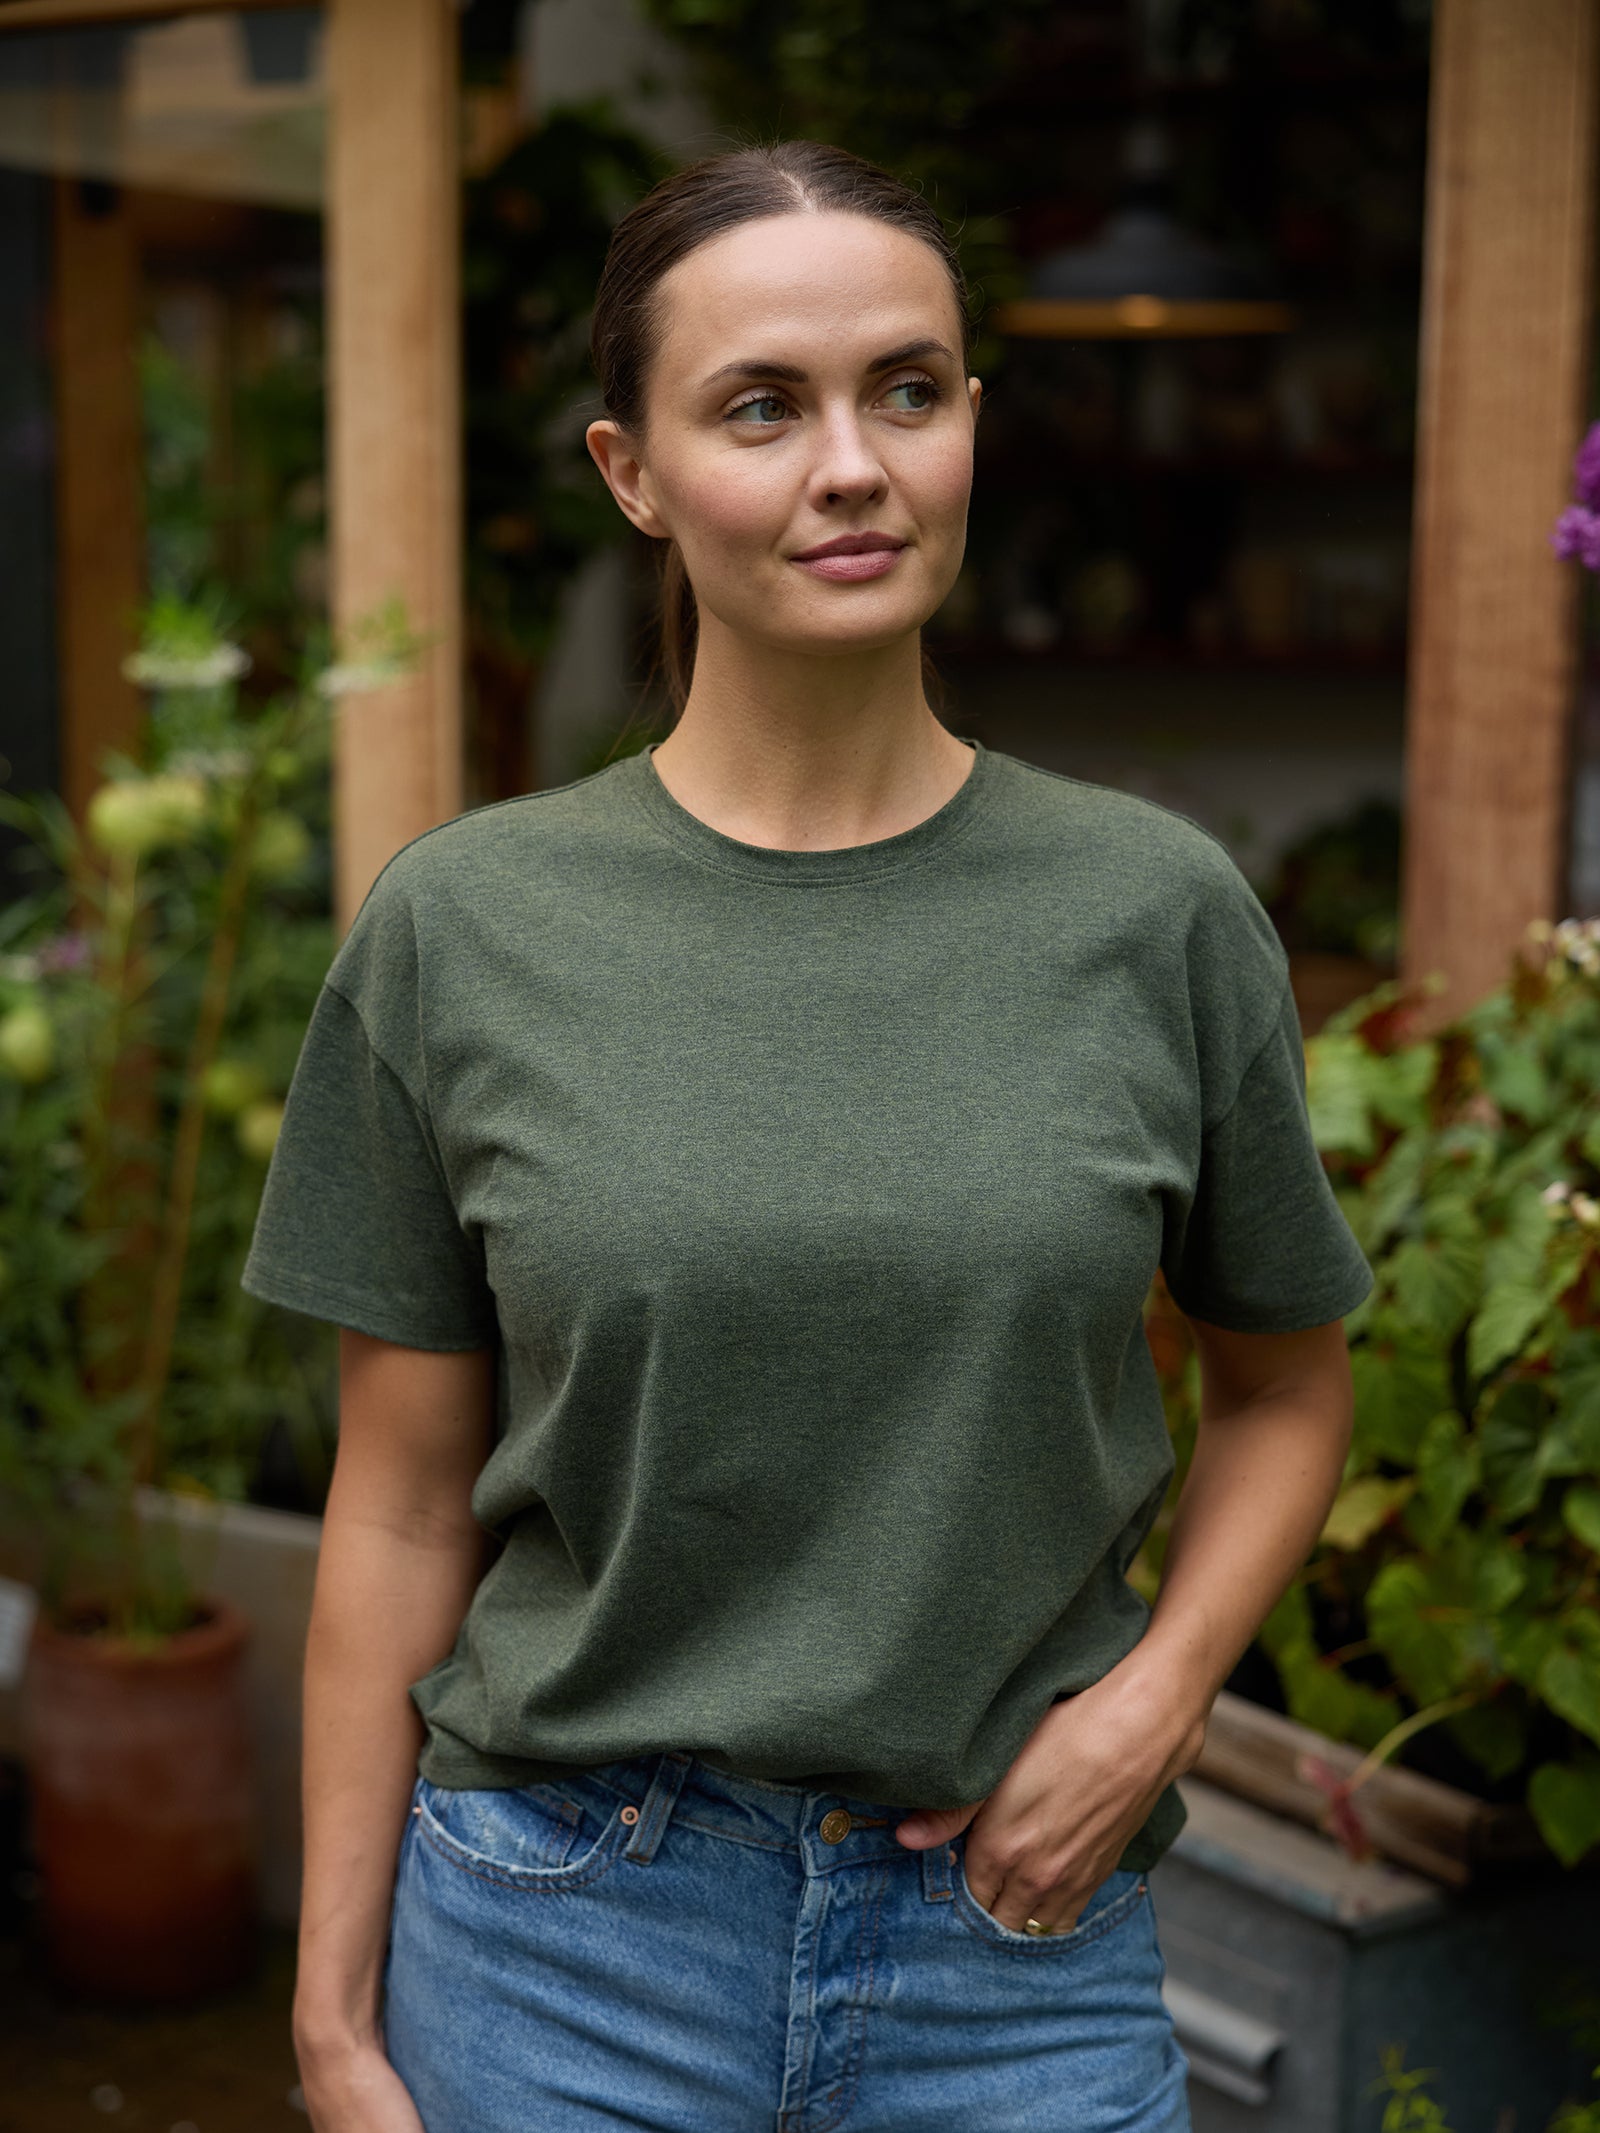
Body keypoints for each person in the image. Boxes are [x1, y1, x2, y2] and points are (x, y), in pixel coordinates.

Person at [244, 139, 1373, 2133]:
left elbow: (1285, 1384)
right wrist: (336, 2030)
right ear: (632, 473)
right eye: (761, 405)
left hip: (1011, 1947)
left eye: (906, 390)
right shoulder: (467, 926)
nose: (850, 462)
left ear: (963, 428)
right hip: (559, 1939)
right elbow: (403, 1501)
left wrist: (1151, 1697)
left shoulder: (1153, 910)